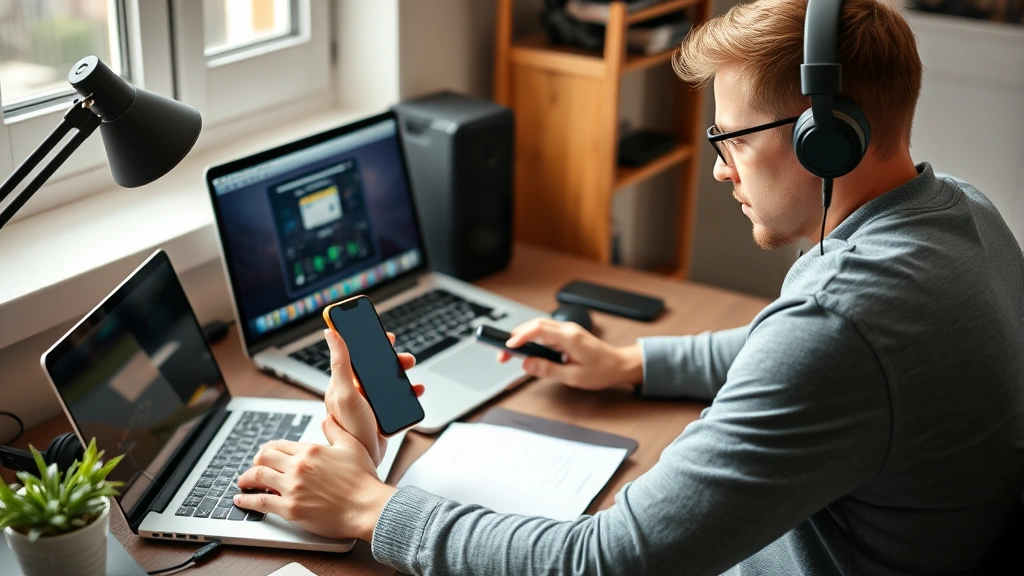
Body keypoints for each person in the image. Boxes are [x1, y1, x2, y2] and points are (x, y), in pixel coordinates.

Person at [232, 0, 1024, 573]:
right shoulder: (960, 212)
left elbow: (606, 563)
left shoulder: (838, 323)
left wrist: (370, 510)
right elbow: (801, 343)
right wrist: (633, 364)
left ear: (825, 140)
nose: (718, 167)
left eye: (733, 138)